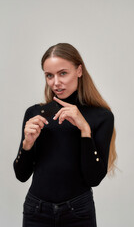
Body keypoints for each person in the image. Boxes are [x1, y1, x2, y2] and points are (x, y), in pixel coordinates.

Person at [13, 43, 117, 227]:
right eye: (49, 75)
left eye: (63, 73)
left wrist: (85, 130)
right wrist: (27, 145)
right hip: (36, 211)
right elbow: (21, 175)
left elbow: (94, 179)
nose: (56, 82)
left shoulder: (101, 116)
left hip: (77, 213)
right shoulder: (35, 114)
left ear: (79, 70)